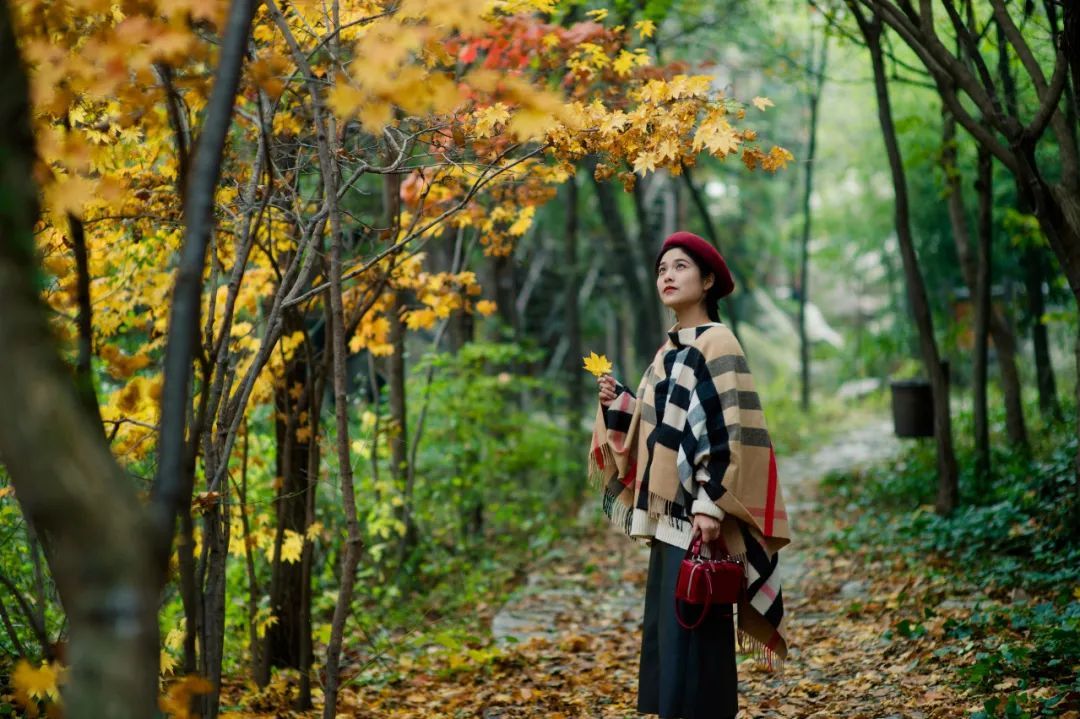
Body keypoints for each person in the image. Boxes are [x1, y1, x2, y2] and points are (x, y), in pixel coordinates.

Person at [589, 231, 791, 719]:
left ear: (707, 281)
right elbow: (659, 433)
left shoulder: (717, 342)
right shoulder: (668, 352)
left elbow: (731, 430)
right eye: (662, 269)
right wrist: (619, 407)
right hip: (669, 521)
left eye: (679, 267)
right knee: (673, 628)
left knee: (697, 632)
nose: (667, 276)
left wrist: (709, 503)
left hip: (700, 514)